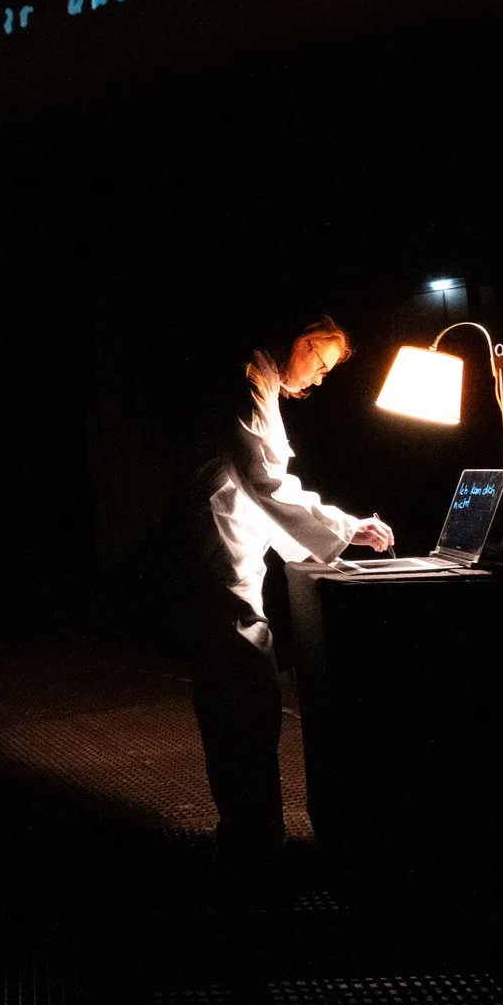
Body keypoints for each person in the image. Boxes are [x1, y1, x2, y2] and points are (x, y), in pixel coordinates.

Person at [174, 316, 393, 864]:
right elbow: (265, 482)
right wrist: (342, 530)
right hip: (217, 549)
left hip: (229, 545)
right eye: (320, 364)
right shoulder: (249, 378)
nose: (319, 381)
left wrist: (337, 533)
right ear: (303, 341)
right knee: (241, 690)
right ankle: (253, 840)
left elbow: (267, 483)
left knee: (244, 692)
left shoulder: (262, 382)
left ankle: (252, 831)